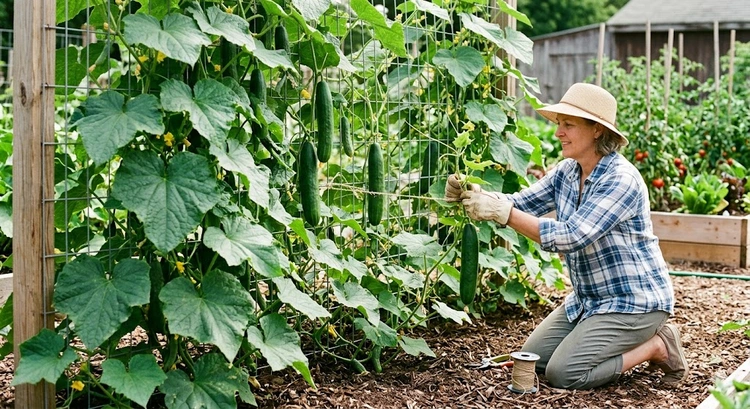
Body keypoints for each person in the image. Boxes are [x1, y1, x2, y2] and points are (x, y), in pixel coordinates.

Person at [445, 83, 688, 390]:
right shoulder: (568, 172)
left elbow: (572, 236)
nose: (558, 132)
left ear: (597, 130)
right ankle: (601, 338)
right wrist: (475, 194)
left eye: (568, 125)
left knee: (564, 374)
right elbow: (520, 203)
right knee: (537, 359)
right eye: (559, 124)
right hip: (589, 300)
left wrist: (500, 213)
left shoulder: (621, 179)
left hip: (634, 303)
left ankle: (657, 346)